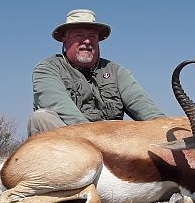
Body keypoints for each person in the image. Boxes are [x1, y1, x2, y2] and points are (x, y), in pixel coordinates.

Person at [28, 9, 166, 136]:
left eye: (92, 36)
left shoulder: (116, 71)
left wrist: (167, 128)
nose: (87, 41)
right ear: (65, 41)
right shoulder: (47, 69)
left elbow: (144, 106)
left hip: (115, 143)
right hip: (75, 142)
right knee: (41, 118)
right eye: (79, 35)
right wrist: (96, 142)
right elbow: (62, 109)